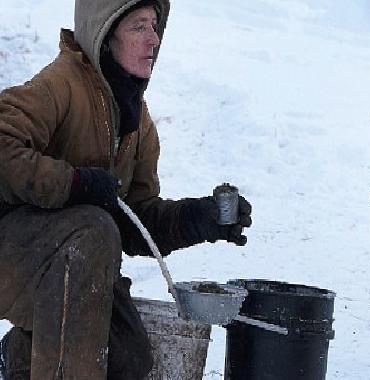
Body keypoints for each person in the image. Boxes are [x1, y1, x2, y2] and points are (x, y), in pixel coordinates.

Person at [0, 0, 252, 378]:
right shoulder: (60, 84)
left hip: (76, 259)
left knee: (128, 357)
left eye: (155, 26)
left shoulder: (137, 120)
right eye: (138, 27)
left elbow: (133, 215)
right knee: (94, 229)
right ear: (104, 35)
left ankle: (17, 359)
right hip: (15, 252)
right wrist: (73, 183)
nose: (154, 39)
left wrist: (197, 219)